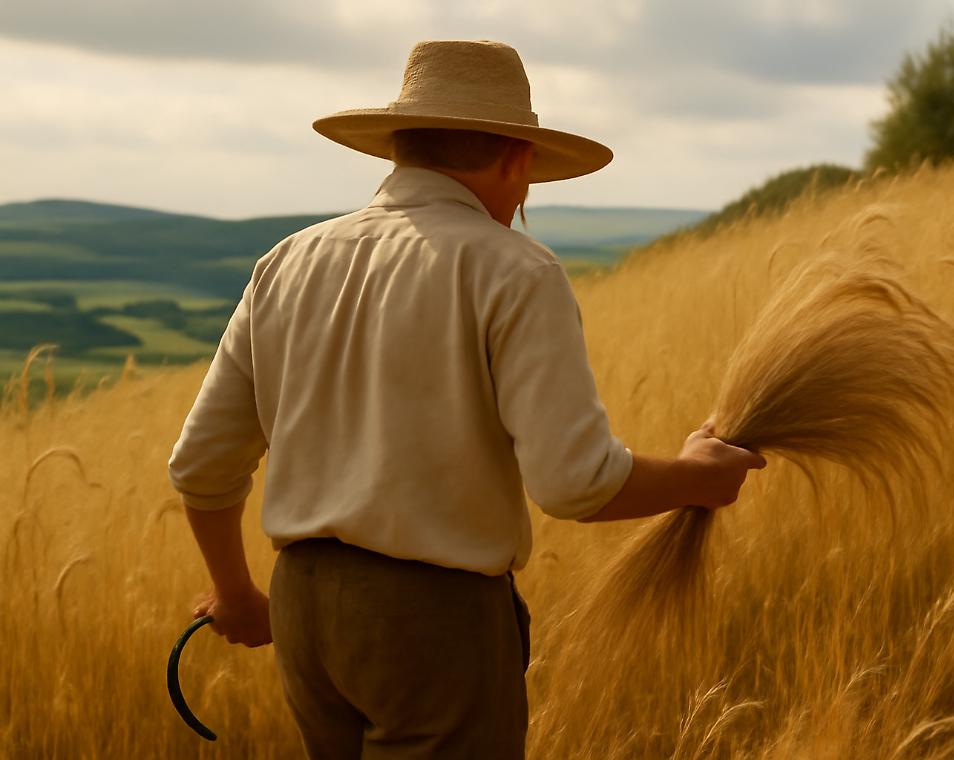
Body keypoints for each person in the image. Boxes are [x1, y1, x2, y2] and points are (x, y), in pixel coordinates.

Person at [167, 39, 766, 759]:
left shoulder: (287, 262)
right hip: (434, 621)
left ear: (400, 150)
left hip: (302, 609)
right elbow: (574, 483)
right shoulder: (514, 270)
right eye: (529, 177)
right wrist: (701, 475)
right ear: (517, 158)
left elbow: (201, 462)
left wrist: (234, 592)